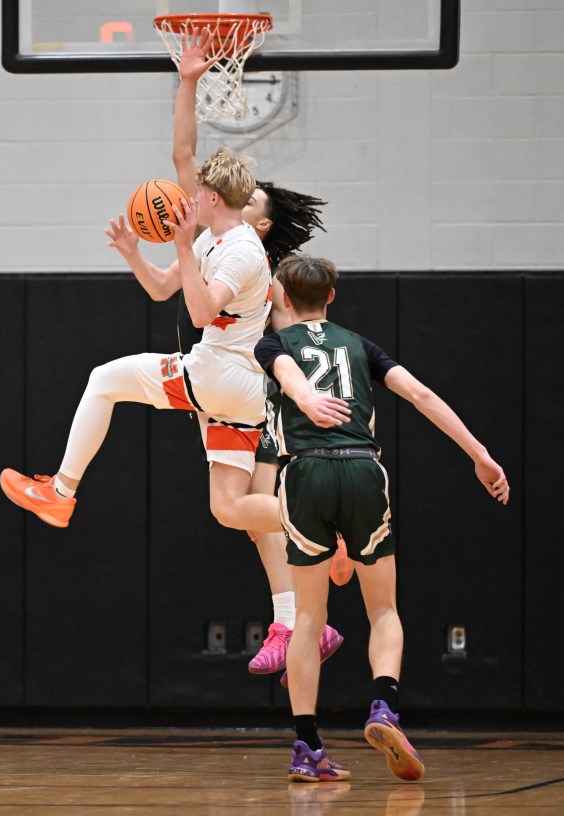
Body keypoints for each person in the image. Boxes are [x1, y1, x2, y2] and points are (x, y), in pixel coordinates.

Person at [254, 254, 510, 783]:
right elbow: (420, 394)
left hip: (304, 474)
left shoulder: (272, 342)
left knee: (307, 618)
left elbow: (283, 371)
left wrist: (305, 398)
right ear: (331, 297)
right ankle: (384, 706)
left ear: (279, 297)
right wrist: (480, 454)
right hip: (363, 470)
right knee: (384, 608)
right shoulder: (359, 345)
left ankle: (307, 746)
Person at [166, 26, 341, 679]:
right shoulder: (223, 236)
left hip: (257, 389)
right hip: (232, 386)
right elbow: (185, 160)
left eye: (249, 200)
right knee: (242, 515)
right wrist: (189, 81)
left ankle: (320, 545)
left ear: (258, 221)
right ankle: (293, 619)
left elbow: (291, 333)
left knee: (252, 510)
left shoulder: (248, 255)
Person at [0, 146, 285, 537]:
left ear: (213, 197)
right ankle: (325, 525)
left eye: (199, 192)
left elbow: (201, 315)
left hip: (221, 371)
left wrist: (182, 245)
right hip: (239, 388)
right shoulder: (215, 239)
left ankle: (60, 492)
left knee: (103, 380)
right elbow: (163, 288)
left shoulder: (241, 251)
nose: (192, 198)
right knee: (230, 507)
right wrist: (133, 254)